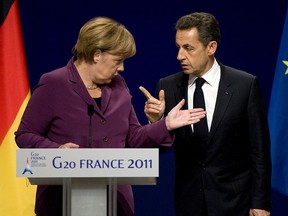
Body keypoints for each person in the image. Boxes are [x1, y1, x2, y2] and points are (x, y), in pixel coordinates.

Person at [14, 16, 206, 216]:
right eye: (118, 60)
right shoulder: (54, 83)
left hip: (115, 204)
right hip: (61, 202)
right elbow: (24, 134)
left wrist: (164, 124)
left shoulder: (119, 85)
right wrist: (57, 151)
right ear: (97, 54)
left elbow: (132, 138)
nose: (121, 68)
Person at [140, 12, 271, 216]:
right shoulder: (168, 86)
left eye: (188, 48)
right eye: (178, 48)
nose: (179, 56)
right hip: (189, 202)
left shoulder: (244, 85)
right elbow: (155, 152)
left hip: (236, 202)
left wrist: (260, 202)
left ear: (211, 47)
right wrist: (156, 124)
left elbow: (259, 151)